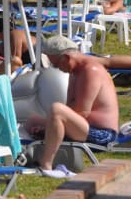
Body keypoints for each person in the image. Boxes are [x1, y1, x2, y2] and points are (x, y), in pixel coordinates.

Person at [25, 34, 120, 179]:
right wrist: (48, 126)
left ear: (67, 58)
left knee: (57, 110)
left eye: (56, 65)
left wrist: (49, 126)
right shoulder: (75, 71)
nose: (58, 69)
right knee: (32, 120)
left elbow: (82, 112)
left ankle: (46, 165)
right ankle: (29, 157)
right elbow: (71, 107)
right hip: (85, 127)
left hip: (103, 134)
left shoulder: (90, 70)